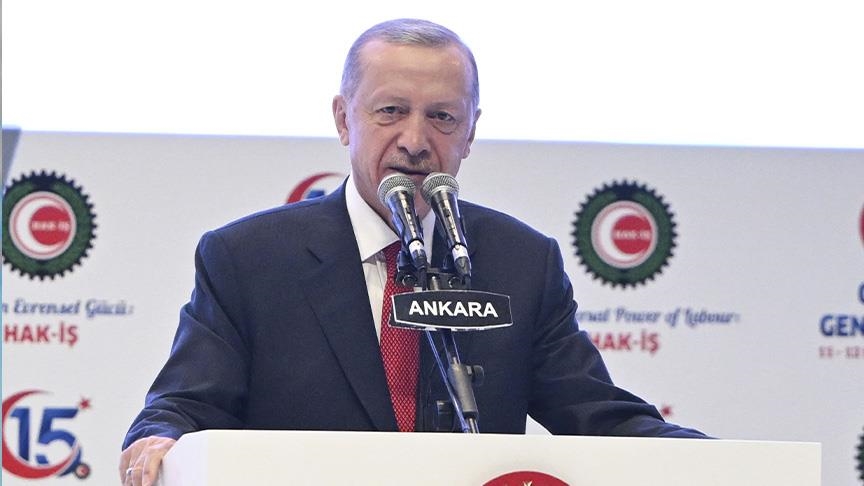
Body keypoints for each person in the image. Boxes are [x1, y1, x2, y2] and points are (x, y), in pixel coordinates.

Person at [119, 18, 707, 486]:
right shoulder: (248, 259)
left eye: (442, 117)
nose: (415, 141)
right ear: (343, 119)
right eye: (391, 111)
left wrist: (722, 461)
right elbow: (185, 406)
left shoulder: (522, 263)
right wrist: (159, 438)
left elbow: (596, 414)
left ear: (470, 132)